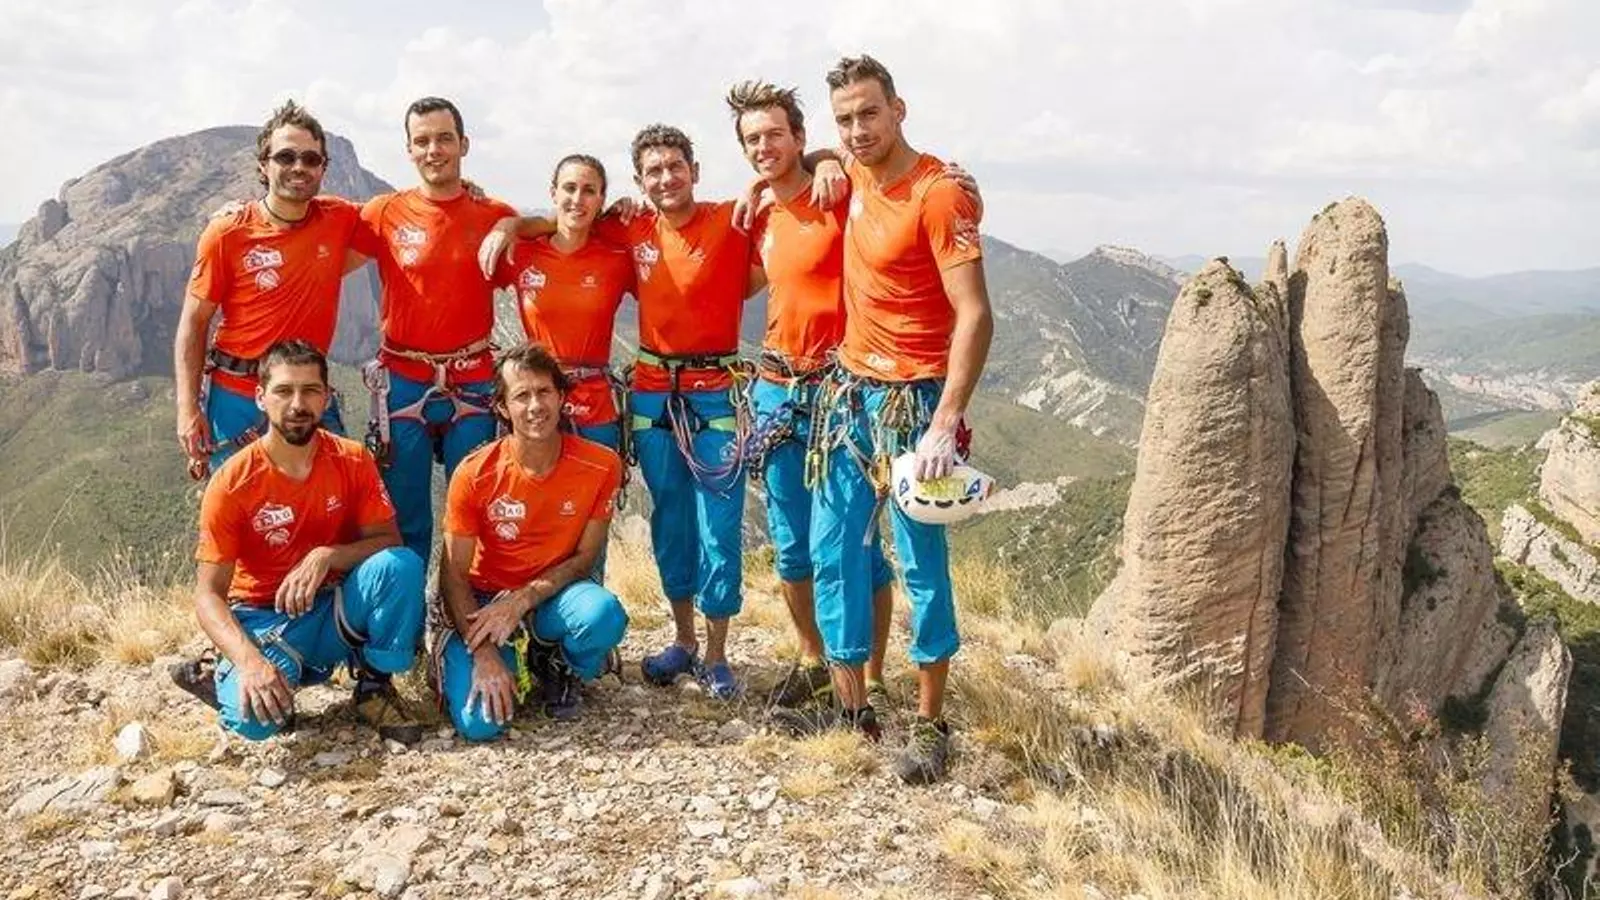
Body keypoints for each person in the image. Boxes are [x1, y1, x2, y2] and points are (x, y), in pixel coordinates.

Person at [805, 55, 994, 784]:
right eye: (844, 119)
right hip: (848, 397)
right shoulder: (851, 171)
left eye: (869, 114)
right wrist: (826, 159)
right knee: (834, 553)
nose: (857, 129)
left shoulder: (938, 194)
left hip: (914, 403)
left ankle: (930, 721)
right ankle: (852, 709)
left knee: (921, 564)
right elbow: (814, 161)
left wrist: (946, 420)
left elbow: (975, 315)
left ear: (899, 109)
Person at [723, 81, 896, 719]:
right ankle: (815, 662)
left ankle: (870, 678)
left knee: (852, 544)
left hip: (838, 391)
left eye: (775, 134)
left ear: (799, 136)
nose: (764, 146)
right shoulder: (760, 213)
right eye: (752, 139)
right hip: (775, 388)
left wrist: (827, 160)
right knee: (792, 545)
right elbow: (747, 282)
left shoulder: (840, 189)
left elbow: (867, 159)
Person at [191, 340, 426, 742]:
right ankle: (225, 672)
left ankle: (374, 687)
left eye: (310, 390)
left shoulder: (352, 459)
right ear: (260, 397)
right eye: (284, 391)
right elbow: (208, 595)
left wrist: (326, 557)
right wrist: (250, 662)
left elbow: (389, 541)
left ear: (326, 397)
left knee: (401, 566)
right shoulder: (232, 481)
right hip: (265, 621)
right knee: (256, 722)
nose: (297, 404)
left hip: (332, 609)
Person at [354, 97, 522, 564]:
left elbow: (560, 237)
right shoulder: (384, 212)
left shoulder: (494, 215)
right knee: (404, 512)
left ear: (464, 144)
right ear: (408, 149)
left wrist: (514, 223)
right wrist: (251, 209)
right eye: (422, 141)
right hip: (403, 379)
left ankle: (464, 604)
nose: (434, 150)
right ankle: (408, 606)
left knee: (475, 508)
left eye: (444, 139)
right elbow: (316, 227)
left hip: (473, 378)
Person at [435, 343, 628, 739]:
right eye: (521, 396)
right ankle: (464, 659)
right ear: (503, 408)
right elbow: (453, 574)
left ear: (561, 397)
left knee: (603, 615)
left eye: (544, 392)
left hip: (550, 597)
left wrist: (522, 600)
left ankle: (555, 661)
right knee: (481, 725)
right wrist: (484, 654)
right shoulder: (474, 474)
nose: (535, 406)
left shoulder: (601, 465)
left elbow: (584, 559)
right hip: (484, 605)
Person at [174, 100, 362, 479]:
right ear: (264, 164)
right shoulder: (228, 232)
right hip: (237, 398)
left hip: (306, 394)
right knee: (240, 505)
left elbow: (405, 211)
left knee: (337, 497)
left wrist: (465, 190)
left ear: (323, 167)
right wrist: (187, 409)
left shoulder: (339, 218)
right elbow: (193, 324)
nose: (299, 167)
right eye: (286, 157)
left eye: (311, 159)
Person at [495, 155, 633, 581]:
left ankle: (589, 602)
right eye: (569, 188)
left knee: (592, 511)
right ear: (552, 193)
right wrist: (509, 224)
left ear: (602, 199)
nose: (578, 198)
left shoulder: (617, 256)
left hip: (595, 403)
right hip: (535, 399)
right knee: (531, 505)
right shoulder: (522, 253)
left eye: (589, 190)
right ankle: (527, 606)